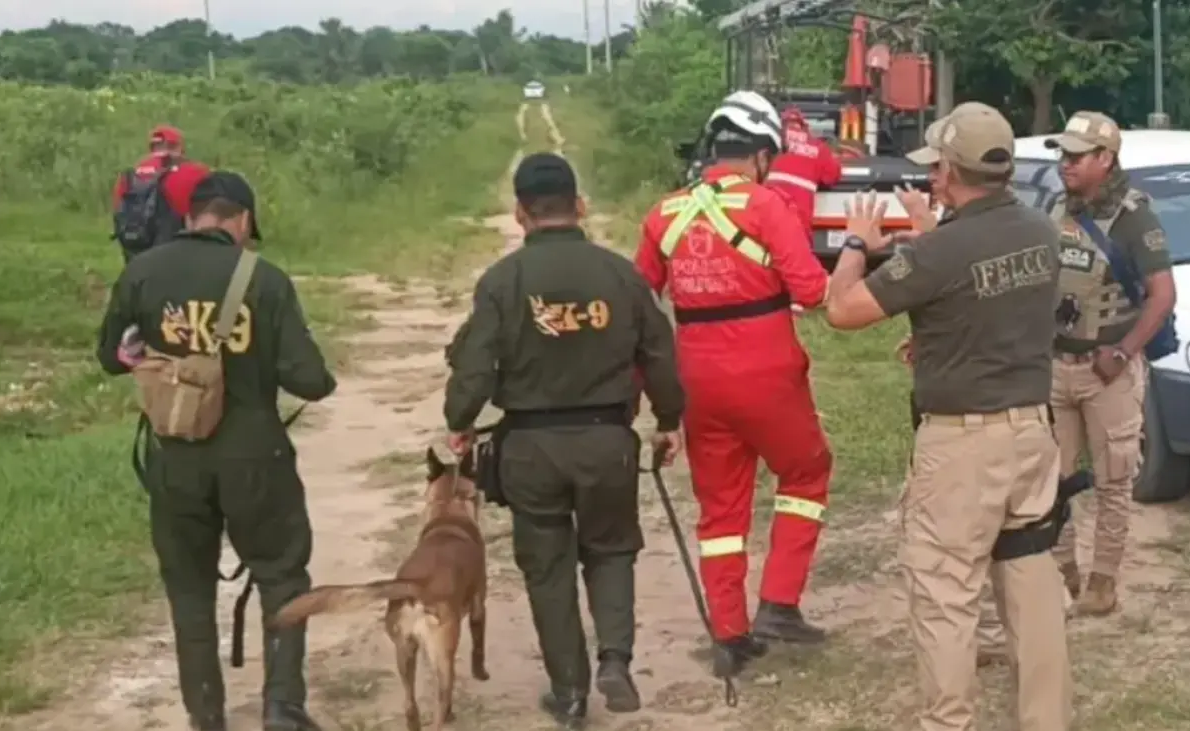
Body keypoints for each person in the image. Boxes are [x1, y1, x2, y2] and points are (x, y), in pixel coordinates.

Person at [825, 104, 1072, 730]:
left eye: (937, 168)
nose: (932, 178)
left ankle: (949, 721)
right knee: (1031, 584)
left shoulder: (940, 249)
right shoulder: (1042, 231)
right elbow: (1006, 309)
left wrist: (857, 244)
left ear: (950, 173)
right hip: (1031, 433)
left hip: (964, 445)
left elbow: (843, 311)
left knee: (945, 591)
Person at [442, 152, 685, 729]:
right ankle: (615, 660)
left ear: (520, 213)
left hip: (531, 448)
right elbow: (660, 353)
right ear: (578, 206)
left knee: (547, 569)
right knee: (611, 548)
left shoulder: (502, 281)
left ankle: (570, 692)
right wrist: (669, 420)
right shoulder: (620, 275)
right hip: (607, 440)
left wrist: (460, 419)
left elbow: (474, 369)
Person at [95, 171, 336, 731]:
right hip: (255, 457)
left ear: (189, 217)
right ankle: (282, 708)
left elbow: (111, 355)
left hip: (174, 455)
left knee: (189, 589)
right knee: (281, 575)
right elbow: (310, 379)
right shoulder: (265, 280)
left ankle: (206, 716)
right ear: (243, 221)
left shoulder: (142, 271)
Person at [634, 90, 833, 679]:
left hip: (696, 377)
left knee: (720, 510)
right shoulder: (769, 206)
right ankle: (779, 603)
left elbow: (638, 301)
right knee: (806, 472)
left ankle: (729, 633)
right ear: (763, 154)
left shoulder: (663, 213)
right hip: (768, 371)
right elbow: (811, 290)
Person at [1044, 111, 1177, 615]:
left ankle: (1102, 584)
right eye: (1064, 155)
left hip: (1109, 373)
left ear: (1106, 158)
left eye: (1078, 156)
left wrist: (1122, 353)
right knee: (1049, 481)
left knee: (1114, 480)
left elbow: (1161, 295)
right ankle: (1063, 576)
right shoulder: (1056, 207)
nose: (1066, 165)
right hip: (1056, 365)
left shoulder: (1134, 216)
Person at [111, 124, 210, 262]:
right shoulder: (194, 172)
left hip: (135, 252)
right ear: (179, 147)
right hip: (175, 255)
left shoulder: (129, 176)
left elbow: (117, 211)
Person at [766, 106, 842, 228]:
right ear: (803, 126)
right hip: (799, 220)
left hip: (767, 214)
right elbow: (832, 175)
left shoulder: (770, 142)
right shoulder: (818, 147)